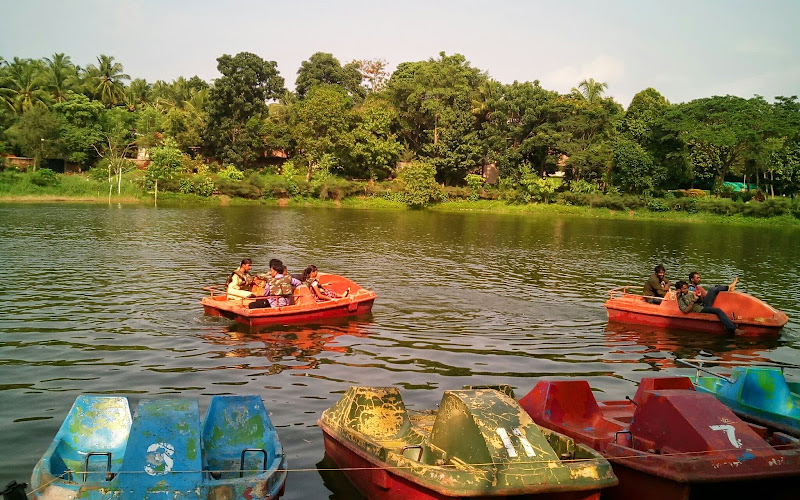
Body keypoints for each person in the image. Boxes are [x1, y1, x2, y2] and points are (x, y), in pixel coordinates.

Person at [676, 279, 744, 335]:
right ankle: (734, 329)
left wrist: (699, 297)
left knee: (713, 289)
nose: (686, 290)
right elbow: (685, 311)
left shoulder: (690, 293)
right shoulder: (681, 299)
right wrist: (693, 301)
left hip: (702, 305)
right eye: (684, 289)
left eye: (686, 288)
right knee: (717, 310)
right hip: (700, 309)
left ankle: (729, 287)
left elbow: (701, 301)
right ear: (679, 290)